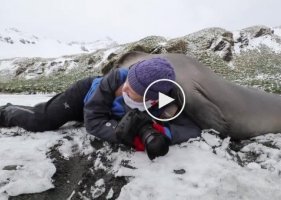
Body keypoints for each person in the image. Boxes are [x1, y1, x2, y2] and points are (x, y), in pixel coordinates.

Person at [0, 57, 201, 160]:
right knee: (40, 120)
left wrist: (162, 132)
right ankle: (6, 111)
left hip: (106, 112)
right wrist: (129, 134)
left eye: (133, 89)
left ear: (152, 98)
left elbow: (191, 128)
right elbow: (93, 122)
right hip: (84, 96)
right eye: (128, 80)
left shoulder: (165, 102)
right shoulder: (116, 78)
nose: (125, 87)